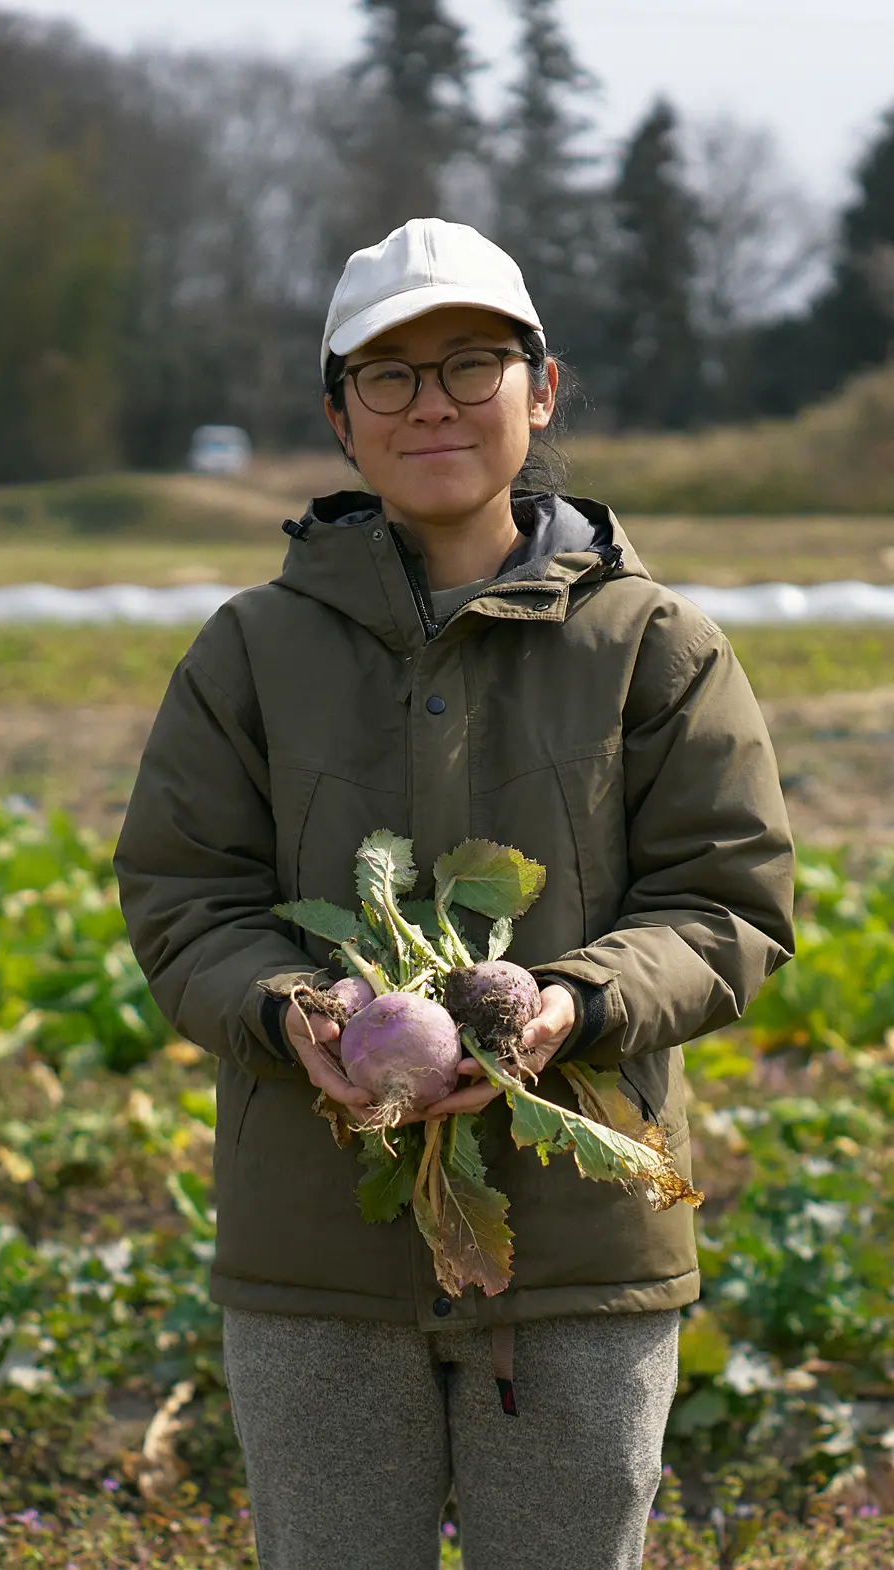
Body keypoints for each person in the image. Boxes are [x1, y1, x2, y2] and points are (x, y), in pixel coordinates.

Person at [114, 217, 795, 1570]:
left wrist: (573, 1002)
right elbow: (184, 895)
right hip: (317, 1241)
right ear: (339, 416)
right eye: (389, 374)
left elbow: (731, 901)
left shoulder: (654, 643)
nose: (433, 402)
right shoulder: (250, 650)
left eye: (471, 362)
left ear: (540, 392)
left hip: (578, 1252)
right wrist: (287, 1008)